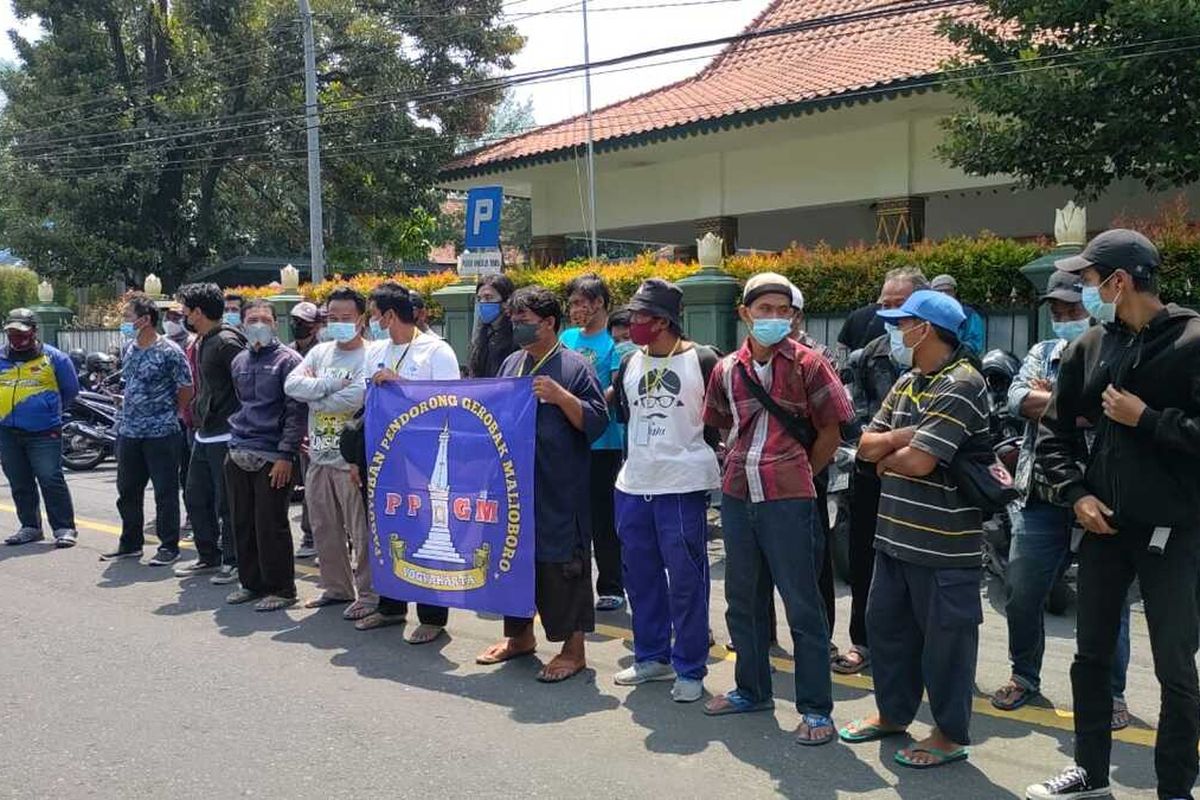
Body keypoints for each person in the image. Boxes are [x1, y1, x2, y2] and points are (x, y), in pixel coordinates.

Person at [1028, 229, 1200, 800]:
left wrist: (1146, 418)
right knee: (1091, 657)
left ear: (1120, 281)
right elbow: (1053, 432)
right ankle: (1089, 774)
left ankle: (1175, 789)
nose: (1086, 290)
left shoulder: (1193, 340)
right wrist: (1077, 494)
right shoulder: (1091, 346)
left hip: (1173, 530)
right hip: (1103, 526)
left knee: (1175, 666)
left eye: (1090, 279)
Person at [701, 272, 853, 747]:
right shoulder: (727, 368)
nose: (773, 318)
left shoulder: (810, 364)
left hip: (788, 498)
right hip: (737, 493)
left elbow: (833, 430)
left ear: (793, 316)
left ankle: (816, 709)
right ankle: (751, 690)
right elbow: (718, 422)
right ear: (744, 314)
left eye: (782, 311)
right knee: (743, 600)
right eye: (764, 309)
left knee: (802, 605)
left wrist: (800, 471)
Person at [839, 289, 989, 769]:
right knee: (888, 633)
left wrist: (891, 454)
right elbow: (866, 447)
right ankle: (893, 713)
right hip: (894, 538)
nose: (896, 332)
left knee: (947, 646)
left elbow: (920, 462)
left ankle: (949, 733)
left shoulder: (963, 383)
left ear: (926, 330)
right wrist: (902, 439)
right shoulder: (908, 382)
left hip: (944, 547)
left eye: (904, 323)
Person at [991, 271, 1133, 730]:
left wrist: (1056, 402)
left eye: (1071, 309)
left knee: (1108, 601)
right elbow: (1017, 400)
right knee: (1020, 592)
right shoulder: (1042, 352)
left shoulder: (1117, 349)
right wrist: (1078, 405)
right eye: (1056, 311)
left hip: (1102, 495)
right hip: (1042, 493)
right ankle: (1024, 675)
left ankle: (1111, 693)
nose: (1062, 317)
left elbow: (1116, 410)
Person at [476, 286, 607, 683]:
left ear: (549, 323)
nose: (517, 328)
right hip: (514, 483)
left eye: (525, 322)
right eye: (513, 321)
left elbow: (596, 422)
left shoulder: (574, 366)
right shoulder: (512, 362)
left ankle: (573, 650)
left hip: (558, 485)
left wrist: (560, 396)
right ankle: (520, 637)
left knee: (561, 564)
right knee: (514, 559)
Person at [610, 279, 720, 703]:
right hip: (634, 483)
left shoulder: (703, 360)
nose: (633, 324)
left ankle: (690, 667)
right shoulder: (629, 362)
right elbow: (625, 414)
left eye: (640, 316)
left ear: (663, 320)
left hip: (682, 485)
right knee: (640, 577)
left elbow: (719, 420)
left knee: (687, 580)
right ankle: (652, 656)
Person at [832, 266, 927, 675]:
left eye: (898, 306)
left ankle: (924, 652)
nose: (888, 314)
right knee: (865, 562)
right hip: (872, 476)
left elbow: (943, 428)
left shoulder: (950, 361)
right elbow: (854, 423)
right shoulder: (866, 356)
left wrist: (891, 444)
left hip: (929, 482)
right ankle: (863, 642)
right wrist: (892, 445)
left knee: (923, 570)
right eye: (883, 305)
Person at [352, 281, 460, 641]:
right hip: (384, 457)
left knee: (428, 529)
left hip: (424, 458)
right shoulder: (376, 351)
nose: (370, 321)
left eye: (373, 314)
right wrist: (358, 460)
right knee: (386, 529)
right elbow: (368, 405)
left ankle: (432, 616)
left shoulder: (436, 350)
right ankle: (391, 607)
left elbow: (450, 404)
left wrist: (402, 385)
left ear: (389, 315)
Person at [284, 286, 375, 621]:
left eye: (346, 317)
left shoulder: (371, 354)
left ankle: (369, 595)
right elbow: (292, 386)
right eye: (332, 317)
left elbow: (357, 397)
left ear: (362, 319)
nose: (339, 323)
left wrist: (316, 395)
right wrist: (331, 386)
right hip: (318, 456)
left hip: (351, 461)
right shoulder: (319, 353)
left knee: (361, 533)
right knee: (325, 528)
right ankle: (337, 588)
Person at [223, 300, 306, 612]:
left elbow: (296, 413)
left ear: (275, 324)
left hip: (273, 455)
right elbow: (240, 403)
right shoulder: (239, 361)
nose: (259, 324)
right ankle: (251, 583)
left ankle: (282, 589)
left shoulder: (289, 361)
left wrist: (286, 455)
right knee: (241, 521)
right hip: (239, 449)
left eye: (265, 319)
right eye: (252, 319)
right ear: (243, 324)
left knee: (270, 524)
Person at [101, 294, 193, 563]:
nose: (124, 322)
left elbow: (186, 388)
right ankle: (130, 542)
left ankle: (168, 546)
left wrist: (169, 412)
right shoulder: (129, 348)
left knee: (165, 492)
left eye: (128, 317)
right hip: (129, 431)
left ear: (144, 320)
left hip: (161, 433)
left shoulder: (169, 351)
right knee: (128, 490)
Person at [560, 273, 626, 611]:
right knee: (572, 517)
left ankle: (611, 586)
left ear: (599, 303)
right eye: (571, 304)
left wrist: (590, 408)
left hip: (603, 441)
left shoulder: (613, 342)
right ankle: (575, 582)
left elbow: (616, 385)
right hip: (568, 440)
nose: (574, 310)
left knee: (603, 517)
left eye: (580, 303)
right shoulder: (567, 337)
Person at [173, 283, 246, 585]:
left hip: (226, 434)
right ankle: (208, 556)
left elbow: (246, 386)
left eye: (186, 311)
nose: (183, 316)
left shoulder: (227, 342)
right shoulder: (204, 340)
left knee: (226, 502)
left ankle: (233, 560)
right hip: (205, 433)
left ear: (198, 312)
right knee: (196, 496)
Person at [0, 308, 81, 548]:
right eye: (11, 333)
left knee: (50, 478)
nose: (16, 338)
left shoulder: (55, 358)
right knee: (19, 481)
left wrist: (46, 411)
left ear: (34, 331)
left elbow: (70, 391)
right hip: (6, 432)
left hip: (44, 432)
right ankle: (30, 527)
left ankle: (64, 528)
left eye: (21, 333)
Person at [289, 301, 324, 560]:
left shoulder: (323, 353)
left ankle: (314, 536)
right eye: (295, 321)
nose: (297, 326)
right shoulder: (289, 353)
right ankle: (310, 535)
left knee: (318, 486)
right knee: (305, 485)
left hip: (319, 426)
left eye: (302, 323)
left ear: (315, 326)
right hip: (294, 426)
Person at [164, 301, 195, 538]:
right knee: (170, 473)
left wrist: (181, 409)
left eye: (176, 317)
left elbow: (189, 385)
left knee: (190, 472)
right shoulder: (162, 343)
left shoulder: (191, 344)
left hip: (188, 417)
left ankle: (194, 516)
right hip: (169, 420)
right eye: (169, 317)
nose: (172, 322)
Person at [468, 274, 517, 378]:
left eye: (488, 298)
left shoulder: (517, 336)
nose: (483, 303)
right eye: (479, 299)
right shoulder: (482, 337)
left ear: (506, 302)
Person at [931, 274, 986, 355]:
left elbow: (975, 343)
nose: (944, 294)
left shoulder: (969, 315)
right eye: (939, 291)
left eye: (948, 291)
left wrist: (955, 351)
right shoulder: (926, 314)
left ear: (955, 292)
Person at [835, 298, 884, 364]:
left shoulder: (855, 315)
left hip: (856, 364)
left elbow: (841, 347)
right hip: (882, 365)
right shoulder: (891, 317)